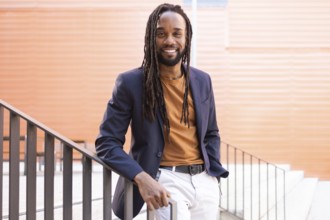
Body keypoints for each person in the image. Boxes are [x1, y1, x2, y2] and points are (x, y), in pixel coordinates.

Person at [95, 3, 229, 220]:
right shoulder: (131, 83)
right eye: (161, 34)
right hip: (164, 180)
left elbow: (211, 133)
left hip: (204, 183)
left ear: (186, 39)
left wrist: (212, 175)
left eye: (177, 34)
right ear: (151, 38)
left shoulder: (202, 80)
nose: (169, 40)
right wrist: (142, 178)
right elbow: (106, 142)